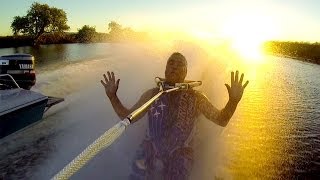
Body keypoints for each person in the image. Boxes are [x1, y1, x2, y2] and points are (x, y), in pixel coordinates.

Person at [101, 52, 249, 180]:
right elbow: (127, 117)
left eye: (180, 64)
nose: (174, 66)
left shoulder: (196, 97)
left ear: (186, 71)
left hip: (181, 153)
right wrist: (112, 96)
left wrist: (233, 101)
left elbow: (221, 119)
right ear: (165, 69)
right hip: (150, 148)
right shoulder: (152, 94)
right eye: (171, 63)